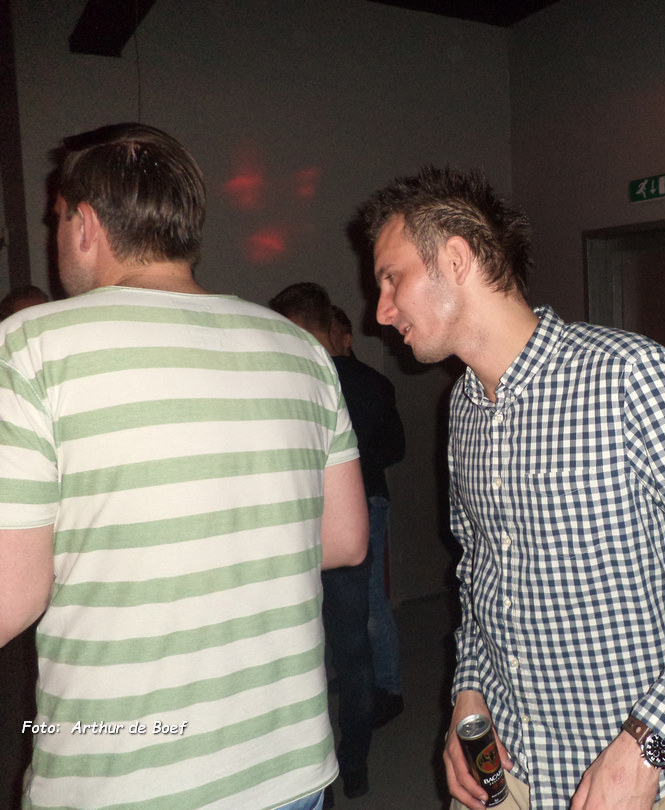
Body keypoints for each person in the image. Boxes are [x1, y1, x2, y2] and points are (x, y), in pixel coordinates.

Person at [359, 166, 665, 810]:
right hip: (506, 764)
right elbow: (481, 572)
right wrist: (468, 695)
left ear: (455, 259)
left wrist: (647, 747)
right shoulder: (464, 409)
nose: (381, 310)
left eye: (392, 278)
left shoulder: (630, 377)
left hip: (626, 776)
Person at [0, 123, 367, 810]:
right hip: (287, 764)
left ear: (86, 224)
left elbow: (11, 593)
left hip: (127, 777)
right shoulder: (300, 350)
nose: (56, 238)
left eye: (57, 219)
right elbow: (346, 541)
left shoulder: (29, 346)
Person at [269, 284, 405, 800]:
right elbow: (394, 446)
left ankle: (313, 768)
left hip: (299, 520)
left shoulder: (288, 380)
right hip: (363, 503)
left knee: (299, 645)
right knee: (357, 638)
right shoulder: (368, 382)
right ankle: (354, 763)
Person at [329, 304, 407, 726]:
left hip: (364, 497)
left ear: (344, 338)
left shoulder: (361, 381)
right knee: (357, 597)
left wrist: (352, 462)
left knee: (368, 598)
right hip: (363, 494)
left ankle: (387, 686)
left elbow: (394, 447)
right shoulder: (368, 381)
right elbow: (395, 448)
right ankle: (369, 681)